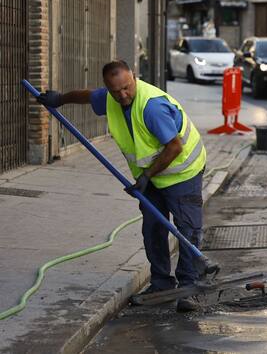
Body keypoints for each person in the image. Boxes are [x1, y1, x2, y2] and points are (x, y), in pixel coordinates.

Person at [36, 60, 207, 312]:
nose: (122, 95)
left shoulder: (152, 107)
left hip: (183, 173)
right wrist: (60, 99)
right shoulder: (110, 98)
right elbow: (87, 96)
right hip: (151, 177)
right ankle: (161, 284)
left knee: (187, 229)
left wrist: (147, 175)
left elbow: (175, 147)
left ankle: (189, 286)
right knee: (153, 229)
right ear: (108, 87)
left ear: (134, 77)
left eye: (126, 88)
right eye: (115, 91)